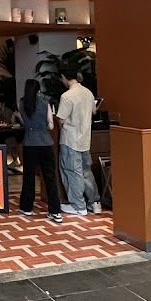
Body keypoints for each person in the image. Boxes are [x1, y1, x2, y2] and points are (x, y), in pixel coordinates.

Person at [56, 70, 101, 214]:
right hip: (85, 139)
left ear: (64, 77)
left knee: (72, 172)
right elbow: (94, 111)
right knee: (86, 172)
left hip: (70, 140)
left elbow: (61, 119)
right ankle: (94, 202)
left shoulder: (66, 96)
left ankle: (78, 206)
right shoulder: (88, 93)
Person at [18, 79, 62, 223]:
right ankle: (55, 211)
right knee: (50, 177)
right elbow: (50, 125)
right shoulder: (46, 103)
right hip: (46, 144)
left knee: (29, 176)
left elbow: (25, 122)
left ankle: (26, 207)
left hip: (30, 143)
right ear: (38, 90)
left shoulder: (22, 104)